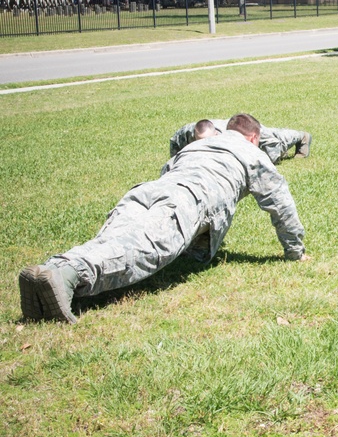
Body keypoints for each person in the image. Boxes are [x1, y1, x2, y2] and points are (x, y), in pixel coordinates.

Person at [18, 114, 308, 324]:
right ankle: (68, 274)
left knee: (113, 237)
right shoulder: (252, 154)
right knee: (143, 249)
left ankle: (51, 271)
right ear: (254, 138)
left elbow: (178, 139)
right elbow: (281, 206)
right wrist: (295, 252)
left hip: (150, 189)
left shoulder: (197, 145)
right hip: (187, 200)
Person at [169, 118, 311, 164]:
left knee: (276, 141)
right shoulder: (186, 133)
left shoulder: (231, 134)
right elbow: (175, 148)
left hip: (250, 131)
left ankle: (302, 137)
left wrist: (272, 158)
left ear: (216, 134)